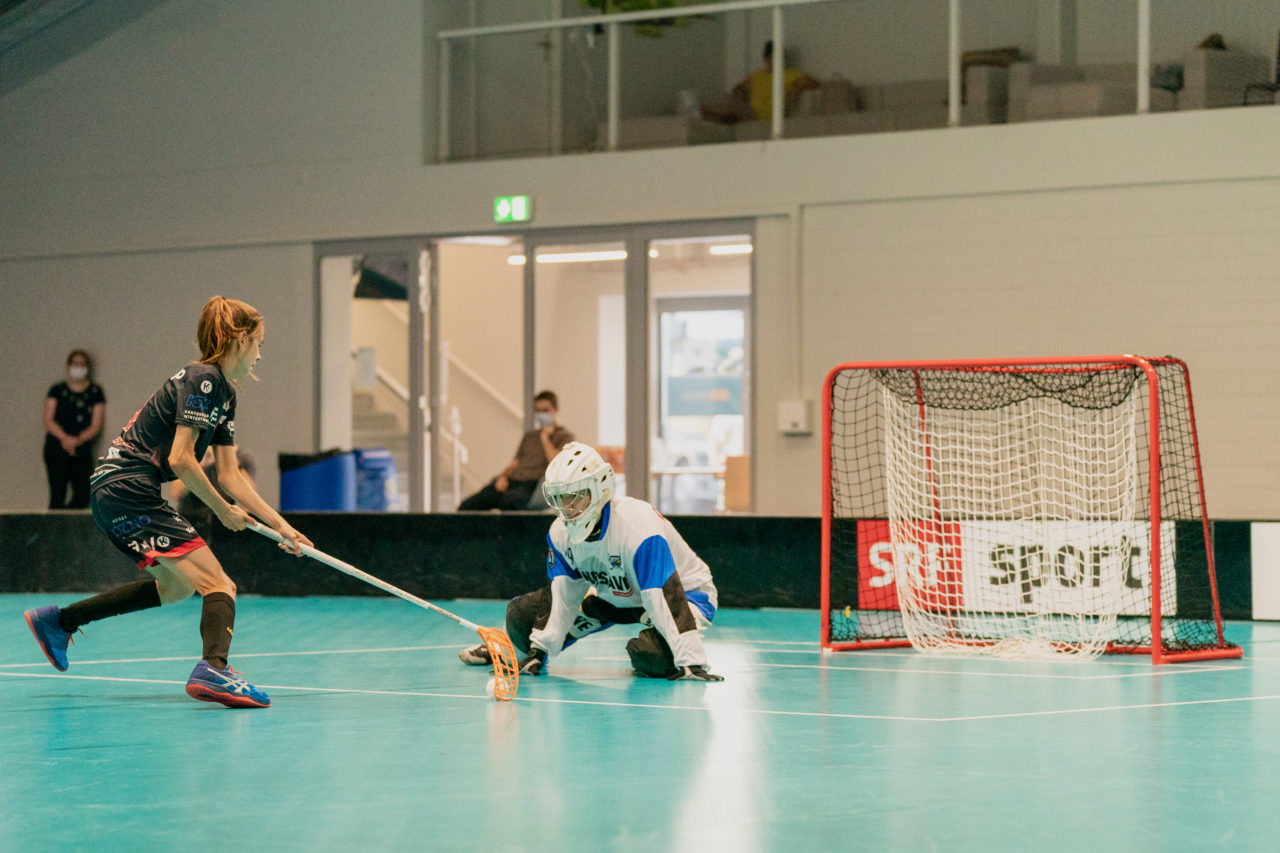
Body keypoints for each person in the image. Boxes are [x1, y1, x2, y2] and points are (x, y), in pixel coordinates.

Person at [23, 296, 312, 709]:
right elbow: (181, 459)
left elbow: (230, 475)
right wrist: (222, 510)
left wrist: (281, 526)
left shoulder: (224, 396)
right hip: (128, 487)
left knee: (176, 587)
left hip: (114, 492)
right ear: (240, 339)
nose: (260, 354)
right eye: (259, 343)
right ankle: (214, 667)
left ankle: (60, 621)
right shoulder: (204, 379)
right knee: (220, 585)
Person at [458, 441, 724, 681]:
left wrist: (692, 662)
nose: (567, 507)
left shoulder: (639, 527)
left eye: (574, 496)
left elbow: (663, 594)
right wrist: (539, 649)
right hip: (618, 595)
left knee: (651, 656)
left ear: (601, 488)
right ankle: (505, 652)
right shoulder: (560, 533)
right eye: (560, 497)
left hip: (687, 595)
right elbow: (562, 594)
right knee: (522, 616)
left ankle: (676, 646)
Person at [457, 390, 574, 511]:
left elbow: (556, 463)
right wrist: (503, 476)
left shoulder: (565, 436)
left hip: (530, 485)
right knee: (468, 506)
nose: (541, 414)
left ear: (555, 410)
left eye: (545, 410)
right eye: (538, 411)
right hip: (511, 480)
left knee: (509, 504)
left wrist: (545, 438)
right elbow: (515, 462)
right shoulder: (530, 436)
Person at [43, 349, 106, 509]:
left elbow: (96, 424)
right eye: (75, 364)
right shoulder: (57, 390)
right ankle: (54, 529)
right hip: (56, 446)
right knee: (58, 493)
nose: (78, 367)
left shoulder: (94, 392)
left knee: (83, 493)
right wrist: (64, 438)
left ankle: (68, 525)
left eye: (82, 364)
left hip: (81, 447)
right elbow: (48, 419)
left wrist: (77, 440)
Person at [702, 40, 820, 124]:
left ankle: (713, 115)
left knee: (728, 114)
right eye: (775, 57)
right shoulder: (758, 75)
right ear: (766, 59)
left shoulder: (790, 74)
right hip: (751, 111)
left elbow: (814, 83)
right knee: (723, 110)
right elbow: (739, 88)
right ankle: (707, 115)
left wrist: (796, 87)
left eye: (782, 57)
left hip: (768, 115)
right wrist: (739, 96)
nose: (779, 60)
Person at [170, 447, 256, 542]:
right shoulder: (192, 453)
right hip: (190, 521)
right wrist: (200, 464)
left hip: (221, 527)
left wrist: (232, 464)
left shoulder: (240, 457)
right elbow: (176, 492)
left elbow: (248, 500)